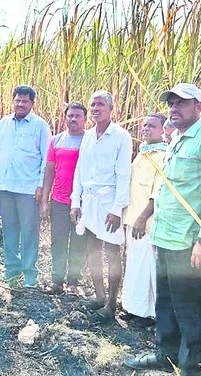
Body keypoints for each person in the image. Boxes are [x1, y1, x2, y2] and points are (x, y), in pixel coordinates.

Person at [125, 83, 201, 376]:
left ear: (198, 105)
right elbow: (167, 190)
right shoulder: (175, 141)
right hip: (166, 238)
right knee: (165, 303)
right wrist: (151, 226)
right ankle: (165, 355)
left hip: (189, 243)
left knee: (190, 310)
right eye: (170, 102)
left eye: (181, 102)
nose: (174, 107)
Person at [70, 90, 132, 320]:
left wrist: (117, 209)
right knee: (92, 250)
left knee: (112, 252)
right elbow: (80, 171)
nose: (95, 109)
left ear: (110, 108)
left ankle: (112, 303)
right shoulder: (87, 136)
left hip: (109, 203)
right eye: (92, 105)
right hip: (89, 202)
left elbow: (124, 174)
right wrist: (75, 202)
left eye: (100, 105)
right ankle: (98, 296)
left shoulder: (121, 136)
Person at [0, 85, 52, 288]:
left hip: (28, 189)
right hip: (6, 187)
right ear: (13, 101)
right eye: (17, 100)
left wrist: (41, 187)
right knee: (9, 230)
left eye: (25, 101)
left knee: (29, 232)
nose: (20, 104)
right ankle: (12, 270)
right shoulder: (4, 123)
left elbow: (46, 159)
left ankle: (30, 274)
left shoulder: (40, 126)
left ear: (32, 103)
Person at [121, 113, 168, 327]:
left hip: (147, 222)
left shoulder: (163, 155)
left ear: (163, 130)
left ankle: (148, 314)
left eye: (152, 126)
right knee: (134, 265)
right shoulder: (142, 153)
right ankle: (132, 308)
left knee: (147, 267)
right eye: (144, 125)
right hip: (133, 218)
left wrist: (142, 218)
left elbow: (157, 192)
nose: (146, 129)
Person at [40, 101, 88, 295]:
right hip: (59, 200)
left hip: (83, 202)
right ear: (65, 118)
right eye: (70, 116)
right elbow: (49, 171)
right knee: (58, 241)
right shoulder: (57, 140)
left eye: (78, 116)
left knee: (78, 241)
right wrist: (45, 199)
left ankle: (73, 282)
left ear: (85, 119)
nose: (74, 119)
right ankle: (57, 281)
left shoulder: (90, 141)